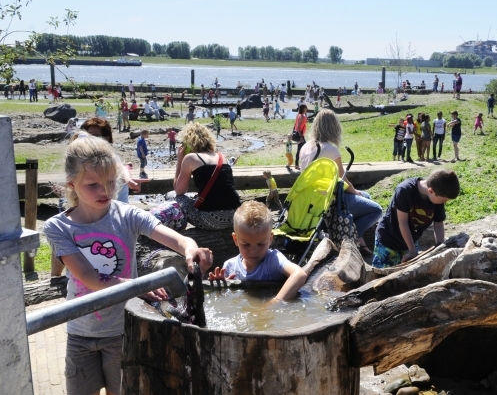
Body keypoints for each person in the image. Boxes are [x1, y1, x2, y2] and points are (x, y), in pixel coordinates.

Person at [43, 136, 212, 395]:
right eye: (93, 185)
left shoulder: (127, 215)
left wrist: (191, 248)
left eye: (111, 182)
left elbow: (175, 238)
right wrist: (139, 287)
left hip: (123, 329)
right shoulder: (58, 227)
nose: (105, 191)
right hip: (80, 331)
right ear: (71, 184)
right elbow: (91, 278)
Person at [299, 109, 383, 253]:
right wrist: (356, 192)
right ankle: (354, 236)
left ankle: (359, 237)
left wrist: (358, 194)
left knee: (367, 196)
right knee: (377, 210)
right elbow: (342, 179)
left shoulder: (306, 146)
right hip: (329, 201)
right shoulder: (330, 150)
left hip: (311, 198)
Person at [207, 202, 306, 303]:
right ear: (235, 239)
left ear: (270, 239)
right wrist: (221, 288)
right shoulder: (230, 266)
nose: (253, 250)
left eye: (261, 244)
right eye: (246, 245)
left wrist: (275, 302)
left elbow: (299, 274)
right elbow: (228, 304)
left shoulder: (273, 260)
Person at [373, 169, 460, 268]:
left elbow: (438, 223)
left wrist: (440, 247)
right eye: (443, 200)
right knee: (382, 274)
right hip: (388, 240)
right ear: (430, 191)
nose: (444, 203)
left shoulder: (437, 197)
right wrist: (412, 250)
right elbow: (403, 223)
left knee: (406, 274)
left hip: (410, 242)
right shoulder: (405, 190)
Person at [173, 122, 242, 230]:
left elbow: (179, 190)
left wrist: (180, 161)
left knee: (176, 198)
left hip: (211, 219)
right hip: (235, 216)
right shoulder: (220, 156)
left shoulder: (190, 158)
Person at [293, 105, 308, 170]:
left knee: (301, 149)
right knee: (303, 149)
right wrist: (301, 136)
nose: (307, 109)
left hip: (299, 134)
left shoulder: (298, 115)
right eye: (306, 108)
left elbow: (295, 124)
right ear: (303, 109)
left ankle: (298, 164)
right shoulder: (302, 116)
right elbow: (299, 127)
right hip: (300, 134)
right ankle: (298, 164)